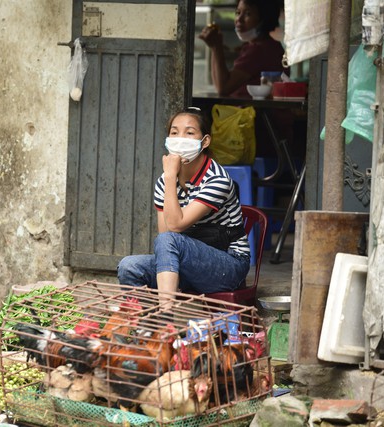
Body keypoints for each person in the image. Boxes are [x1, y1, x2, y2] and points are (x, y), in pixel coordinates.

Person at [117, 108, 250, 308]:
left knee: (170, 239)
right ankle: (146, 329)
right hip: (189, 264)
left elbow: (176, 226)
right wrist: (170, 179)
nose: (180, 139)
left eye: (189, 133)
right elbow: (165, 233)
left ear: (205, 141)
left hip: (229, 265)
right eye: (174, 132)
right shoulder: (164, 181)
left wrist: (171, 176)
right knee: (129, 267)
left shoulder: (217, 180)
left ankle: (165, 317)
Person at [199, 0, 288, 98]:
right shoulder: (268, 45)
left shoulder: (259, 50)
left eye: (248, 14)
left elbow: (223, 88)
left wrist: (216, 47)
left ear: (264, 19)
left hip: (255, 112)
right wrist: (215, 47)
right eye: (238, 13)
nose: (239, 19)